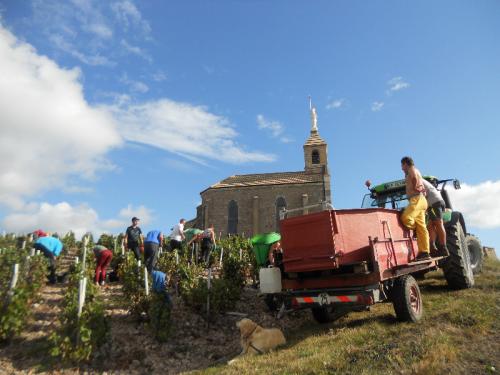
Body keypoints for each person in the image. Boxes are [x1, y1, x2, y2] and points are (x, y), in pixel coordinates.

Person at [400, 156, 430, 261]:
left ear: (405, 164)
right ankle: (425, 252)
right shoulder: (415, 170)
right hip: (421, 200)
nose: (401, 168)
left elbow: (415, 179)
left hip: (416, 199)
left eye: (402, 165)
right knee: (422, 227)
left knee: (406, 217)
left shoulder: (411, 170)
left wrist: (418, 187)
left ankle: (414, 229)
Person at [422, 179, 449, 256]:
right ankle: (432, 246)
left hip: (434, 203)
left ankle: (443, 248)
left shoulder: (416, 179)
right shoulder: (421, 180)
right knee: (430, 225)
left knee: (438, 223)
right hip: (435, 202)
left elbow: (422, 194)